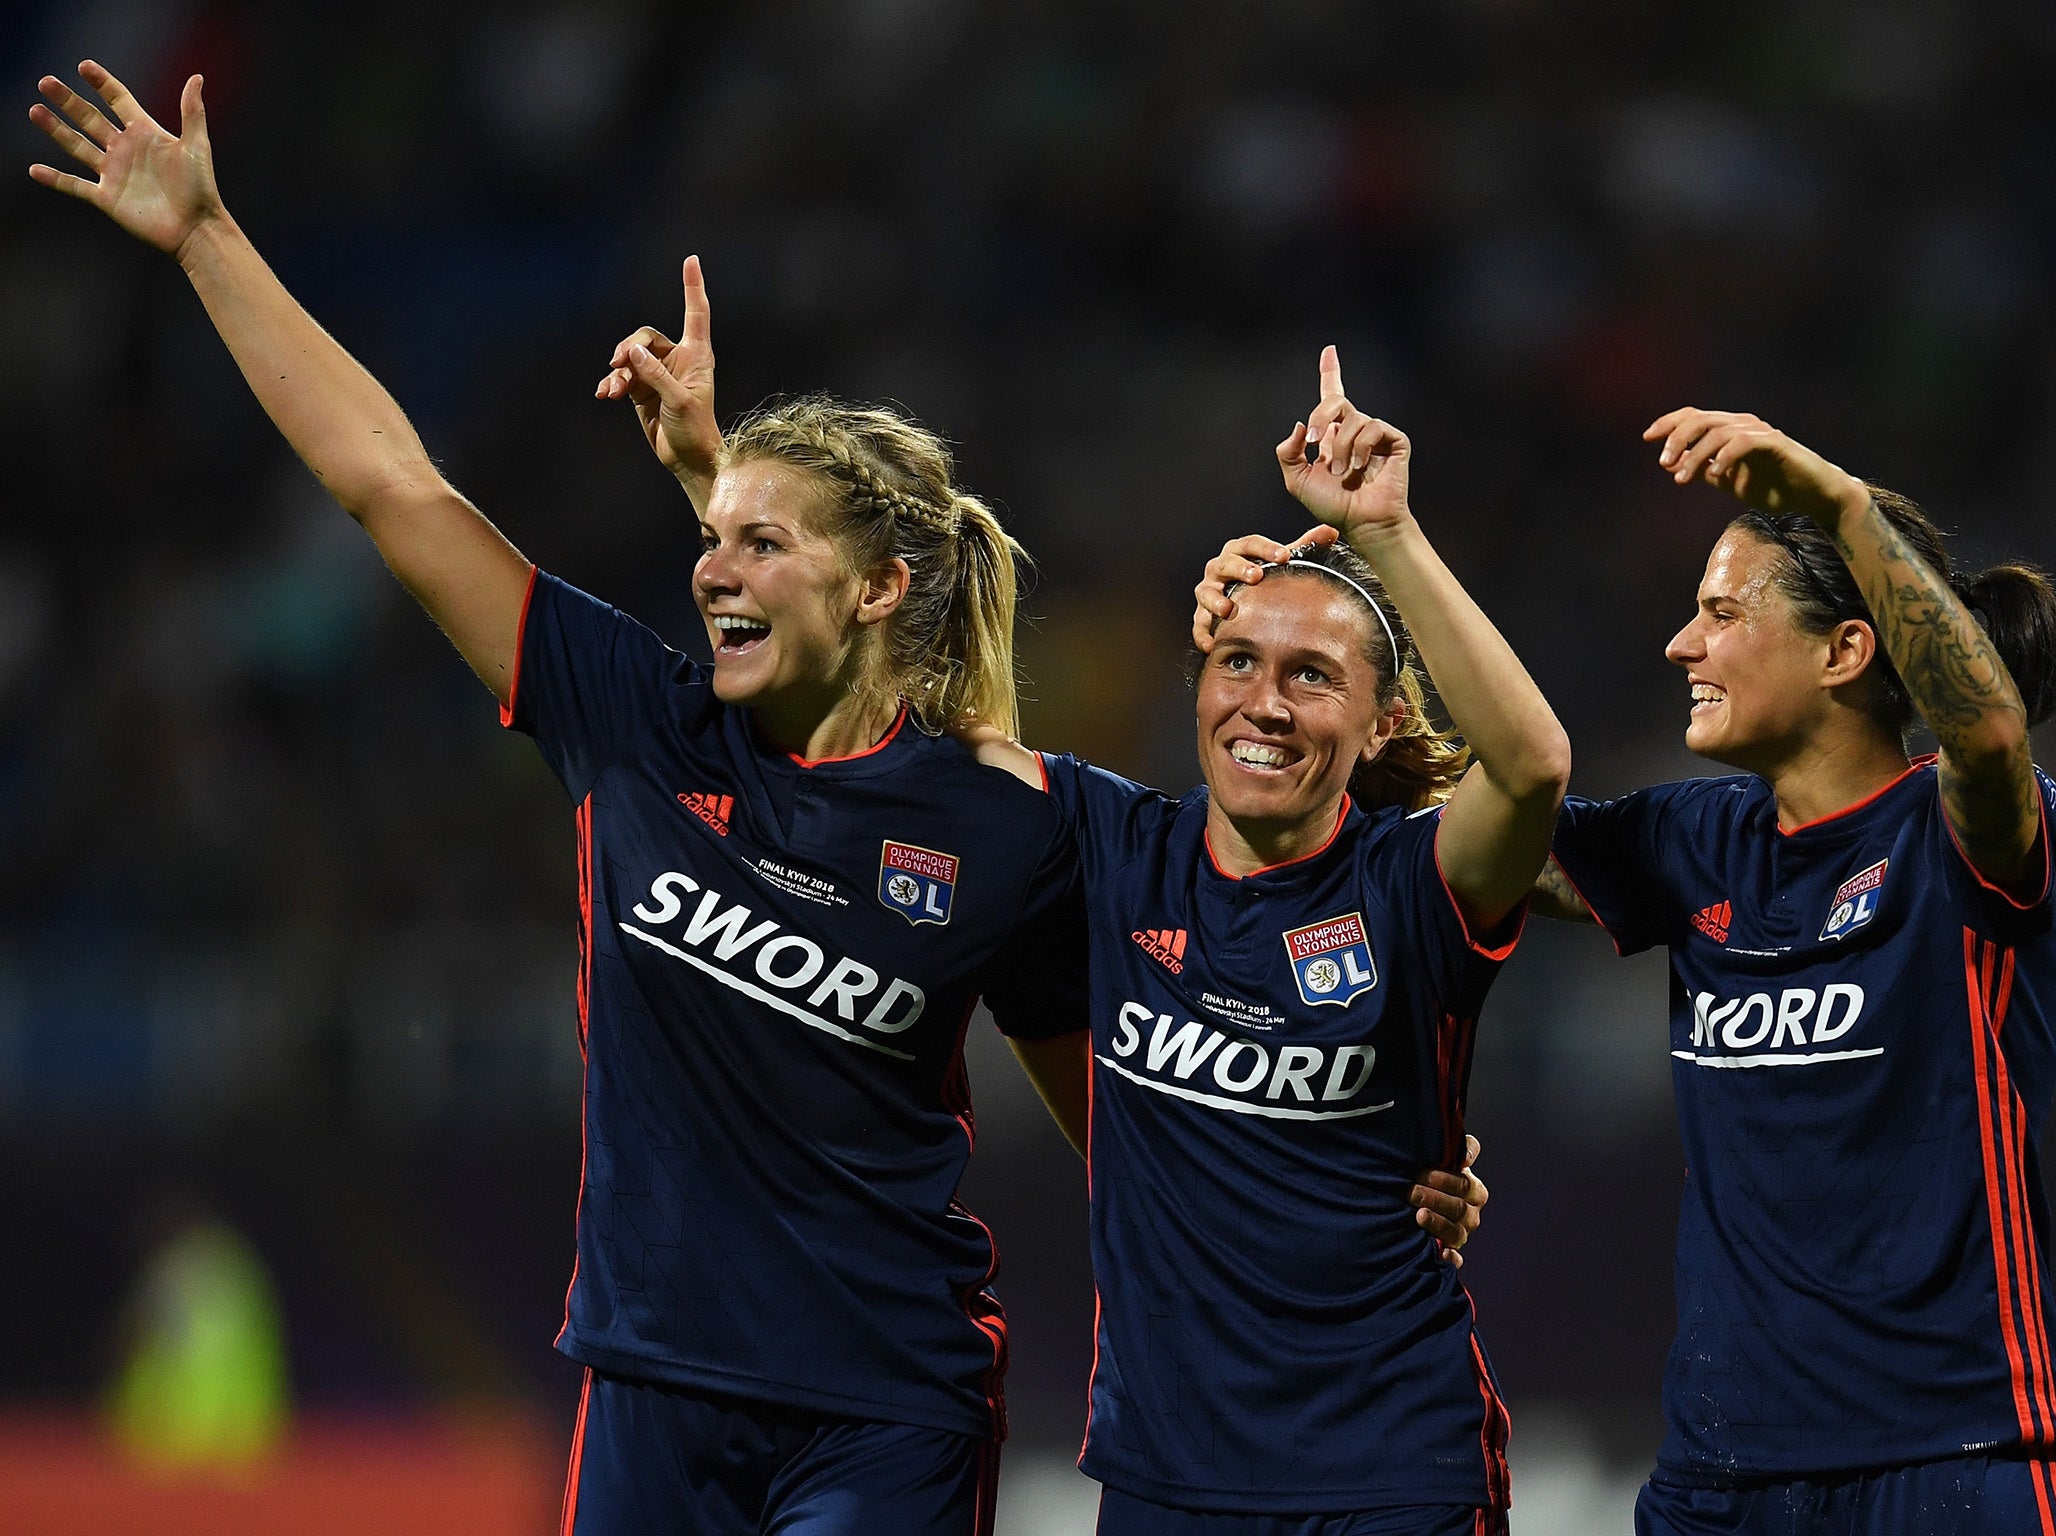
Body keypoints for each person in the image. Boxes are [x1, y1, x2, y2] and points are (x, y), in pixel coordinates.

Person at [29, 62, 1489, 1535]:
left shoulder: (1002, 821)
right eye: (709, 533)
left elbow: (1132, 1095)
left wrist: (1352, 1190)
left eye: (757, 542)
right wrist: (208, 236)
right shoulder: (633, 721)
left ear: (879, 588)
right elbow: (391, 486)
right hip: (652, 1384)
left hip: (890, 1407)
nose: (711, 566)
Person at [1198, 409, 2056, 1535]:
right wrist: (1359, 572)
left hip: (1953, 1454)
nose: (1680, 647)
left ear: (1846, 651)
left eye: (1720, 614)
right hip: (1721, 1472)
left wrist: (1840, 507)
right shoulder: (1691, 843)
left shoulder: (1966, 837)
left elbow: (1988, 736)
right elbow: (1466, 817)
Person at [960, 349, 1569, 1535]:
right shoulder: (1108, 844)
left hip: (1392, 1470)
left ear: (1385, 717)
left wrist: (1384, 534)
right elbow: (933, 734)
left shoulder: (1416, 878)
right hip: (1164, 1476)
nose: (1265, 703)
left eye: (1311, 676)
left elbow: (1534, 763)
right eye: (1237, 661)